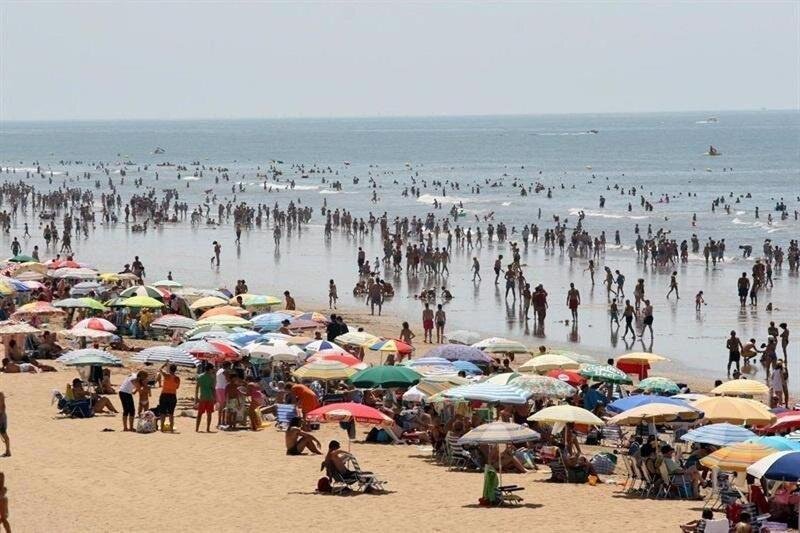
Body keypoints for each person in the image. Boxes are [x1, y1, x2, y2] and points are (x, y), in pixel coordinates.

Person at [158, 362, 180, 432]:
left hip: (164, 394)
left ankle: (162, 428)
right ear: (175, 370)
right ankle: (171, 428)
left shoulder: (166, 375)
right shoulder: (177, 378)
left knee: (163, 412)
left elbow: (160, 369)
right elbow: (177, 387)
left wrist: (164, 365)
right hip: (172, 395)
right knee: (171, 413)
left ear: (170, 369)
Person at [194, 363, 215, 433]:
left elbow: (197, 388)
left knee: (199, 414)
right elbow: (213, 389)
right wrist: (215, 397)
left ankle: (197, 428)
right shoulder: (211, 378)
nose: (213, 370)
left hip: (202, 397)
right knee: (209, 414)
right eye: (212, 369)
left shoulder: (200, 377)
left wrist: (196, 397)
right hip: (210, 397)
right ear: (209, 369)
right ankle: (208, 428)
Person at [0, 393, 8, 457]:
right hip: (3, 417)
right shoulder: (1, 395)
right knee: (4, 434)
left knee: (4, 434)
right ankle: (8, 451)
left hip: (1, 417)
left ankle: (8, 451)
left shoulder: (1, 395)